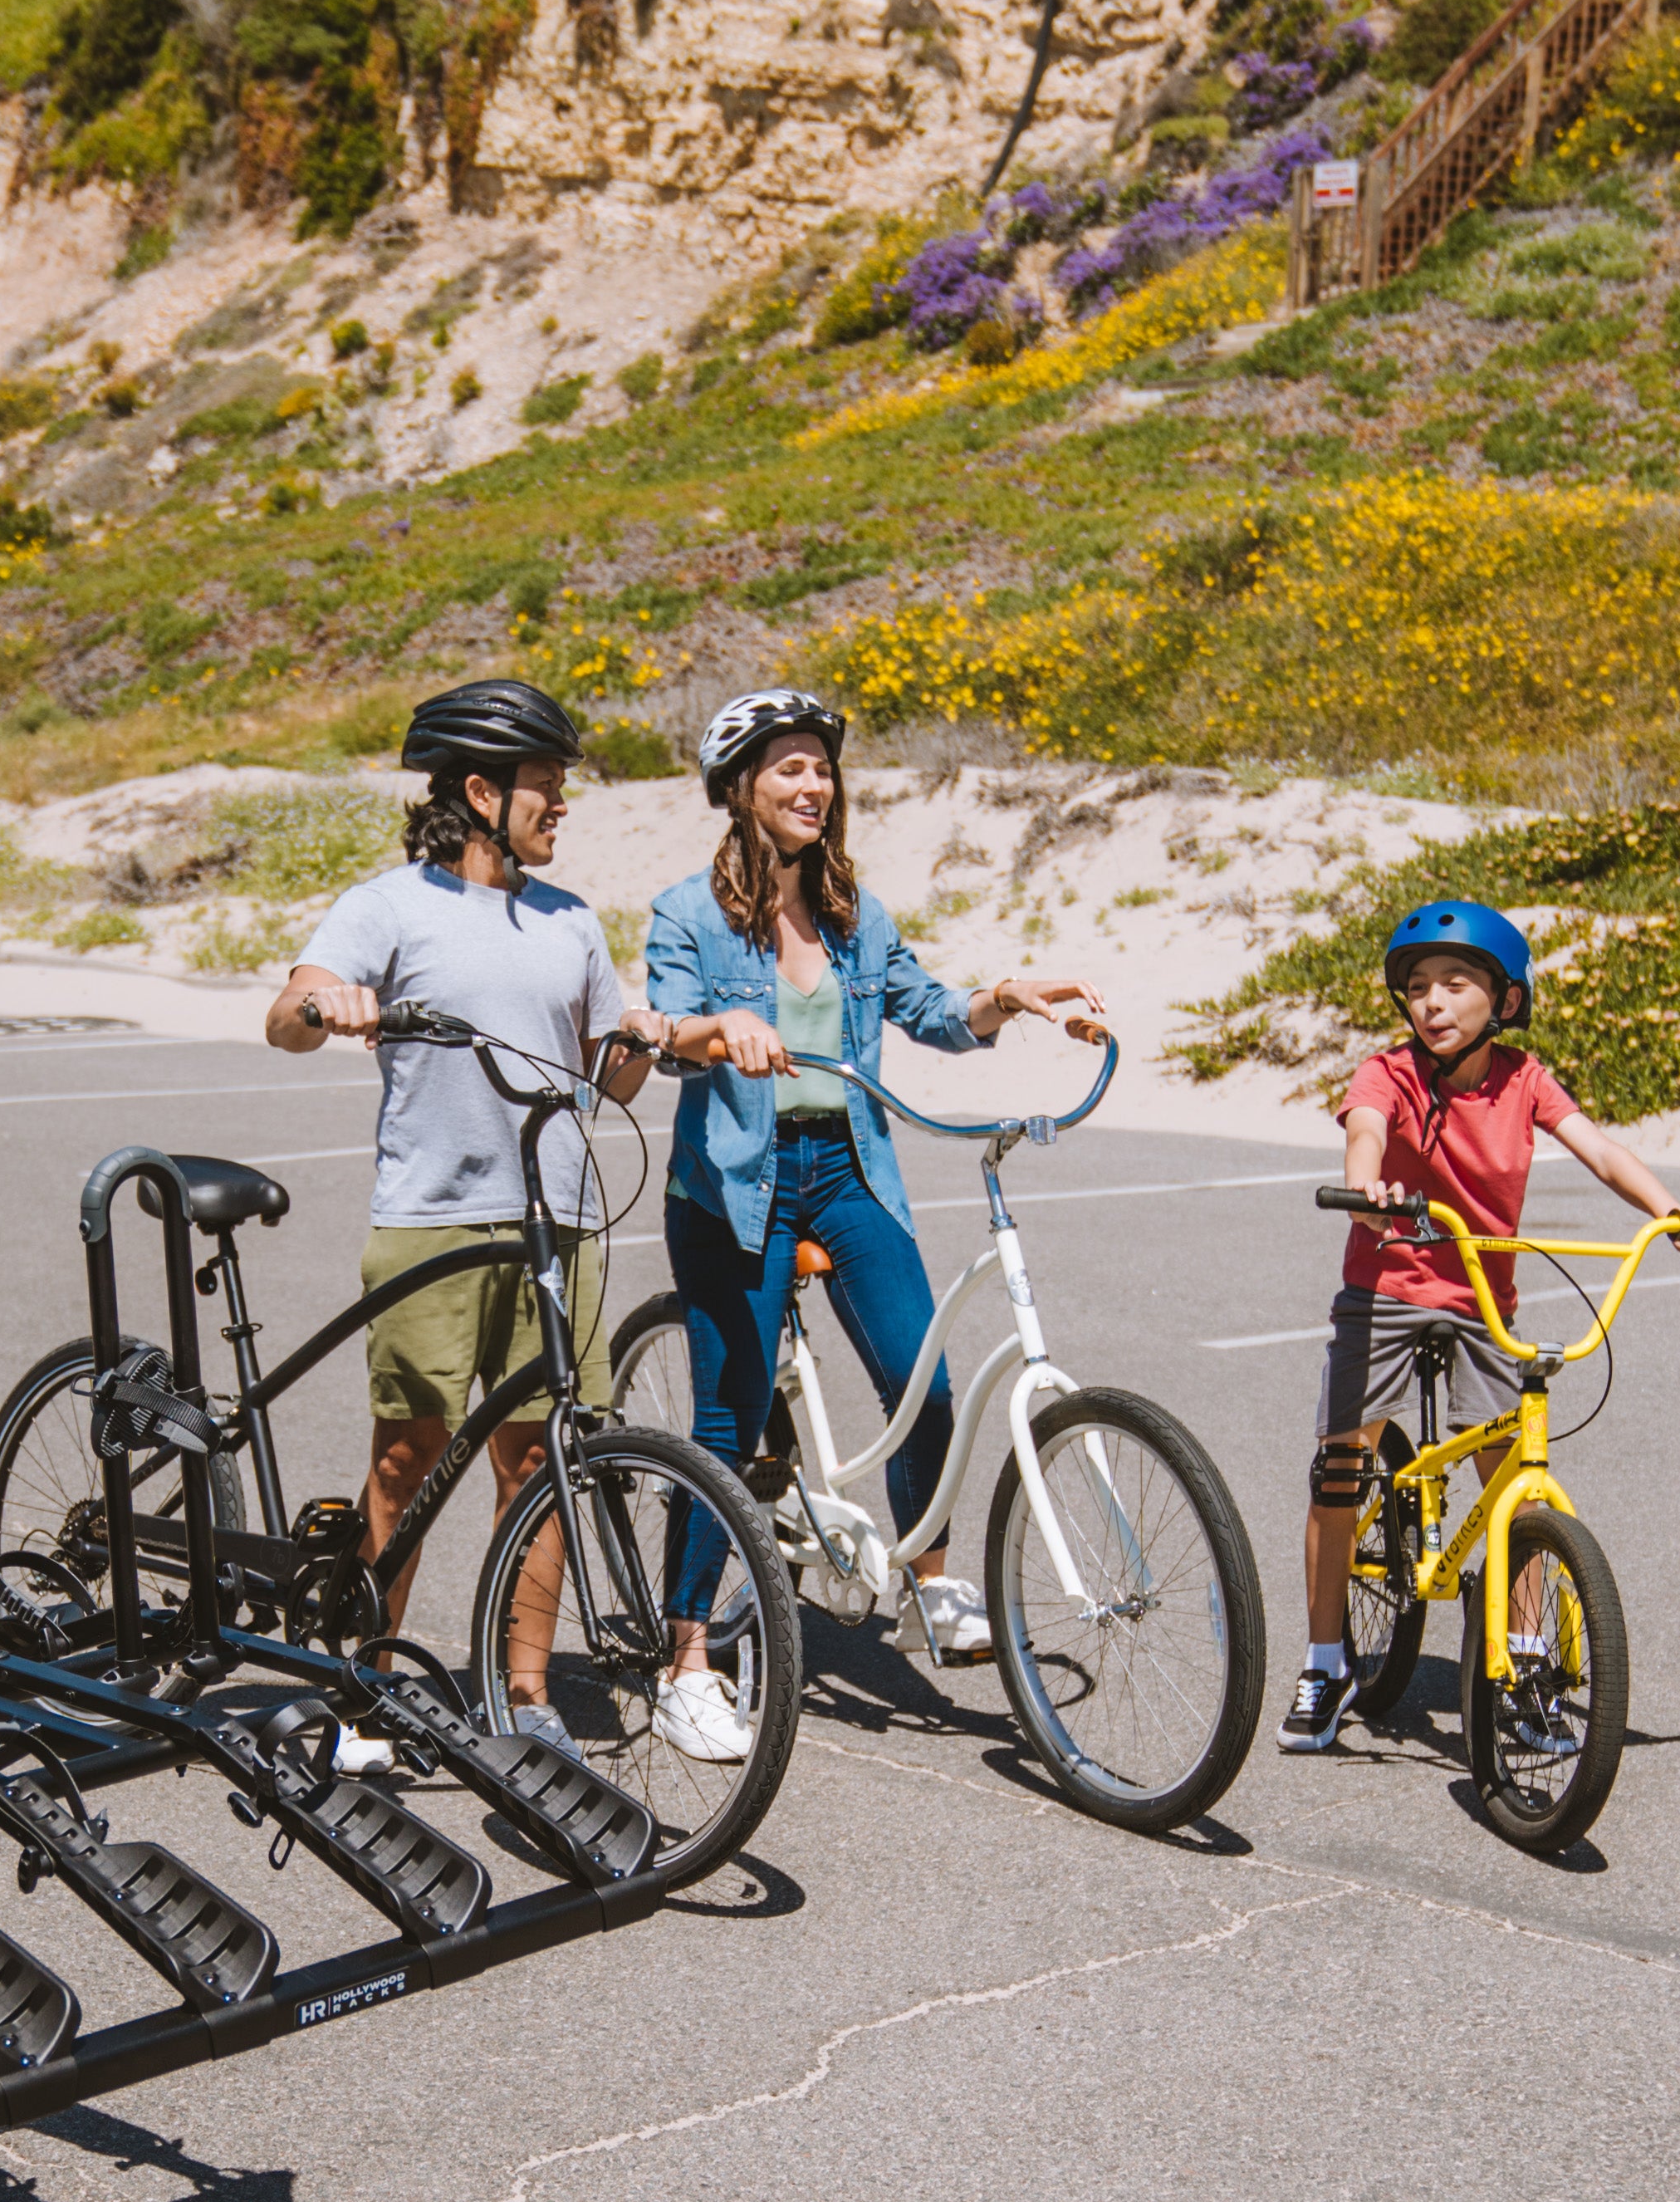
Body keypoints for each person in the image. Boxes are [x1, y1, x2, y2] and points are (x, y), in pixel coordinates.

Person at [644, 687, 1104, 1761]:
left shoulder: (854, 912)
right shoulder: (687, 913)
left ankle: (933, 1587)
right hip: (735, 1185)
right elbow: (667, 1029)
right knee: (727, 1421)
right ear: (739, 790)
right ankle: (686, 1661)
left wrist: (1003, 998)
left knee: (924, 1381)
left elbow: (932, 1015)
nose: (813, 786)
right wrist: (720, 1028)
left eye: (821, 768)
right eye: (788, 769)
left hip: (848, 1170)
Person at [268, 677, 654, 1754]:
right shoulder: (387, 906)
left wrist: (641, 1042)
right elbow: (284, 1019)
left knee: (540, 1466)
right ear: (480, 793)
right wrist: (324, 1003)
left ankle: (522, 1696)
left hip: (559, 1225)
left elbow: (605, 1085)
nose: (561, 805)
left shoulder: (570, 920)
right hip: (434, 1221)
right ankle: (365, 1684)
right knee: (408, 1458)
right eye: (546, 787)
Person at [1290, 898, 1680, 1755]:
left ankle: (1526, 1662)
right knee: (1342, 1464)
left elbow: (1599, 1148)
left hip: (1480, 1300)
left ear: (1504, 999)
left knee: (1516, 1479)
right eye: (1417, 986)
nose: (1433, 1002)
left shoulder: (1524, 1078)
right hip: (1386, 1287)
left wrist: (1671, 1210)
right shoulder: (1385, 1071)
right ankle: (1323, 1659)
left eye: (1456, 983)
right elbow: (1364, 1134)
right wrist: (1369, 1188)